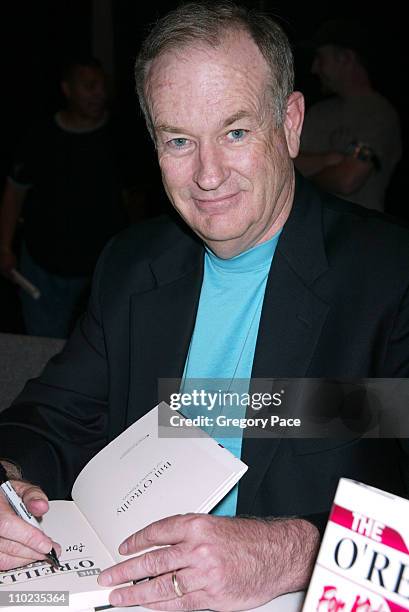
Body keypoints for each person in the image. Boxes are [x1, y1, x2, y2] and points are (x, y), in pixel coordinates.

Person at [0, 3, 409, 610]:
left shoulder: (389, 273)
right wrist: (6, 478)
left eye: (235, 132)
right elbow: (53, 417)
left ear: (291, 123)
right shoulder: (133, 265)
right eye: (179, 141)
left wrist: (291, 555)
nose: (208, 175)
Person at [0, 57, 128, 338]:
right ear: (67, 89)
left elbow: (135, 199)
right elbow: (14, 193)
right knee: (46, 347)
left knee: (102, 347)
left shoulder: (119, 136)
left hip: (102, 271)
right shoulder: (40, 136)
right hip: (44, 268)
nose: (99, 94)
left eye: (102, 86)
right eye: (89, 86)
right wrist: (5, 247)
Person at [295, 19, 402, 212]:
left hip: (365, 235)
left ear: (345, 58)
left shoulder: (378, 114)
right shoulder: (318, 112)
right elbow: (287, 165)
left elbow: (348, 179)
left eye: (320, 59)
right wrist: (329, 159)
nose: (314, 68)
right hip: (313, 233)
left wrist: (305, 181)